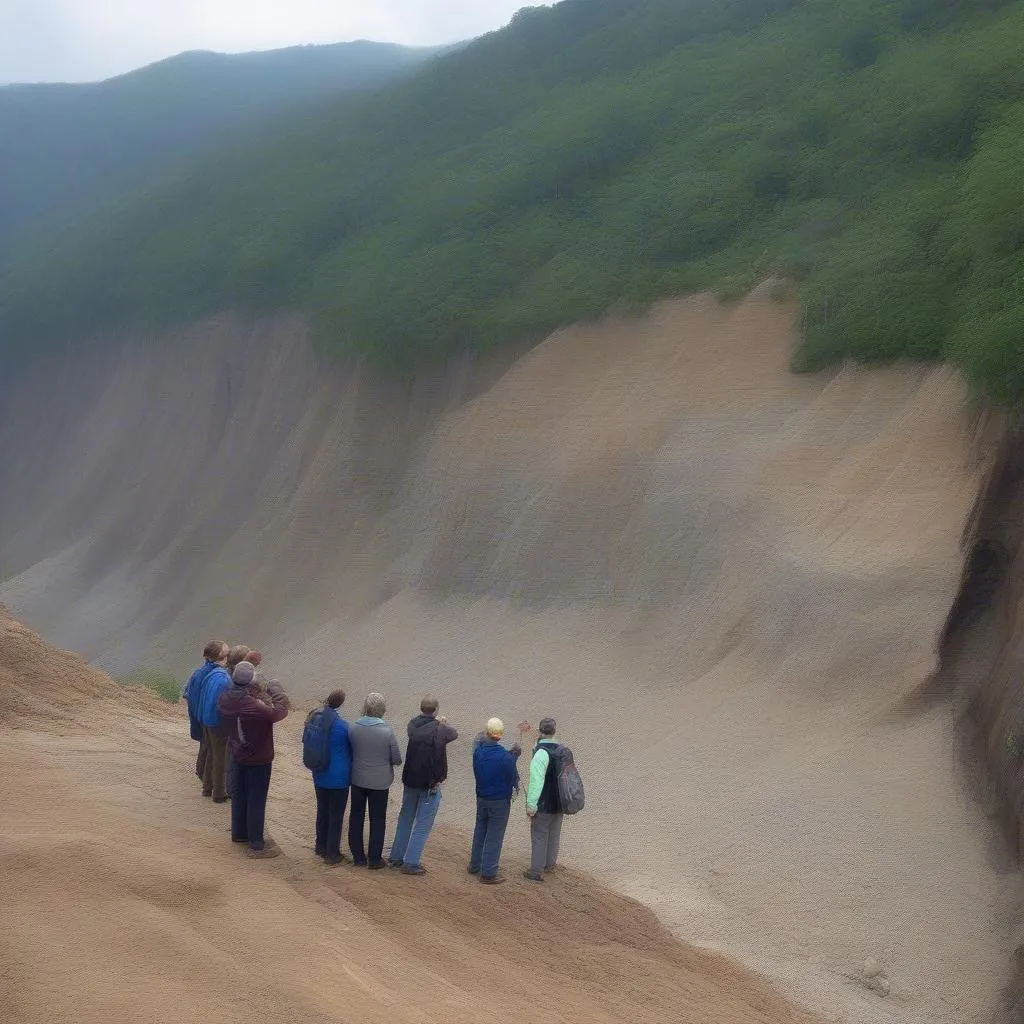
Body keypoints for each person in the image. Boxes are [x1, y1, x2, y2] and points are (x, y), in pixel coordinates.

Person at [218, 661, 291, 858]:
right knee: (256, 798)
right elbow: (278, 713)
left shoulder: (225, 698)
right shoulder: (253, 705)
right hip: (259, 757)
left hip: (238, 752)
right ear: (250, 682)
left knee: (239, 794)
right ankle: (256, 843)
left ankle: (239, 834)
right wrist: (277, 693)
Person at [387, 695, 458, 875]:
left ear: (421, 708)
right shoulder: (439, 730)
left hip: (410, 779)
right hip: (429, 783)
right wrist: (441, 723)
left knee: (406, 818)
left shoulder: (412, 725)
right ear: (436, 710)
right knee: (423, 824)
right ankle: (411, 863)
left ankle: (396, 857)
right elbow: (453, 734)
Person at [347, 692, 402, 869]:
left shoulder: (353, 727)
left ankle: (358, 857)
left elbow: (350, 750)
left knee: (356, 816)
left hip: (357, 779)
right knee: (377, 819)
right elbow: (396, 759)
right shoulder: (387, 732)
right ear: (382, 710)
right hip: (380, 782)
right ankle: (375, 859)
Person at [469, 717, 521, 885]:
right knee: (494, 834)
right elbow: (511, 777)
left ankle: (474, 864)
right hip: (499, 801)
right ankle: (489, 872)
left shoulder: (478, 753)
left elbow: (477, 745)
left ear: (487, 733)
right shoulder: (505, 757)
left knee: (480, 829)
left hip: (481, 797)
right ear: (500, 735)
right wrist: (514, 756)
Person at [312, 689, 353, 866]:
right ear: (341, 704)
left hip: (319, 773)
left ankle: (320, 846)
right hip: (338, 779)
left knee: (322, 809)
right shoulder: (343, 726)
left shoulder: (315, 718)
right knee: (336, 815)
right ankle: (331, 853)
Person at [524, 717, 565, 882]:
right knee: (554, 834)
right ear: (554, 731)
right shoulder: (563, 750)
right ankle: (549, 865)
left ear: (541, 731)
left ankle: (535, 871)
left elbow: (536, 781)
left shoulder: (541, 753)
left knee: (539, 834)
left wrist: (531, 805)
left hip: (544, 803)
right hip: (560, 802)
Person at [196, 644, 238, 801]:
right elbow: (223, 706)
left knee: (210, 754)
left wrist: (201, 718)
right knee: (221, 757)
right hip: (217, 723)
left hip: (206, 719)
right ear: (223, 657)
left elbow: (203, 697)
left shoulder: (211, 673)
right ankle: (219, 794)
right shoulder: (224, 679)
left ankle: (207, 788)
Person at [183, 640, 228, 782]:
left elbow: (187, 694)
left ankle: (201, 772)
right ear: (220, 657)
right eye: (227, 653)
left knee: (205, 746)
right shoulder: (213, 675)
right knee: (208, 748)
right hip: (205, 717)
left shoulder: (199, 672)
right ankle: (204, 776)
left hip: (201, 716)